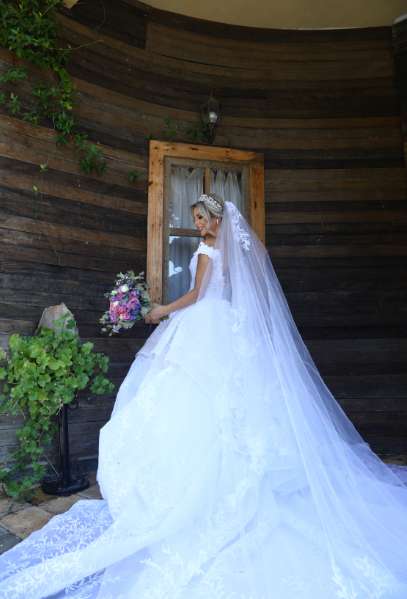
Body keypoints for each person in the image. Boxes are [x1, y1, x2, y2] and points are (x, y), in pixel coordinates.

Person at [0, 193, 407, 599]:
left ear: (215, 218)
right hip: (223, 326)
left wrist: (161, 310)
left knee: (197, 398)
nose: (196, 224)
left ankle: (197, 486)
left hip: (203, 325)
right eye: (194, 219)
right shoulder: (228, 250)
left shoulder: (209, 249)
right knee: (218, 402)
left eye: (200, 218)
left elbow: (198, 295)